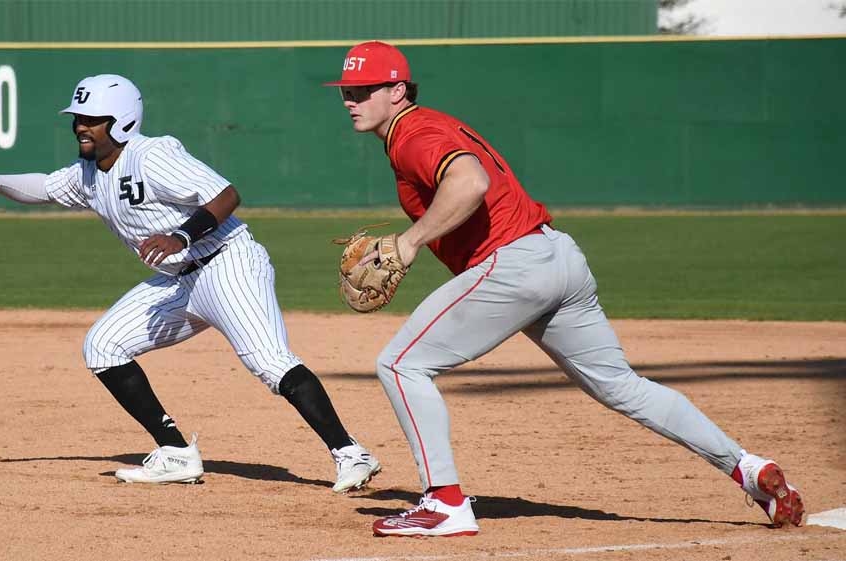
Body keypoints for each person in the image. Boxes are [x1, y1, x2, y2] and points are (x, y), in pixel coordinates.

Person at [323, 41, 804, 537]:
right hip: (556, 258)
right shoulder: (427, 126)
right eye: (346, 90)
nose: (350, 99)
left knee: (401, 364)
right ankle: (747, 468)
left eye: (362, 89)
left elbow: (470, 183)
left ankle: (445, 504)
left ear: (397, 90)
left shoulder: (413, 133)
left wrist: (409, 242)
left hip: (513, 265)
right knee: (622, 386)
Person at [0, 74, 380, 492]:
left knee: (268, 362)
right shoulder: (88, 173)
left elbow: (225, 194)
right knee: (103, 347)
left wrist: (180, 236)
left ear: (121, 120)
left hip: (227, 264)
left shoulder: (152, 155)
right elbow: (44, 187)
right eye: (77, 118)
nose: (81, 126)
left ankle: (350, 452)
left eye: (93, 118)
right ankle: (175, 452)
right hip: (179, 282)